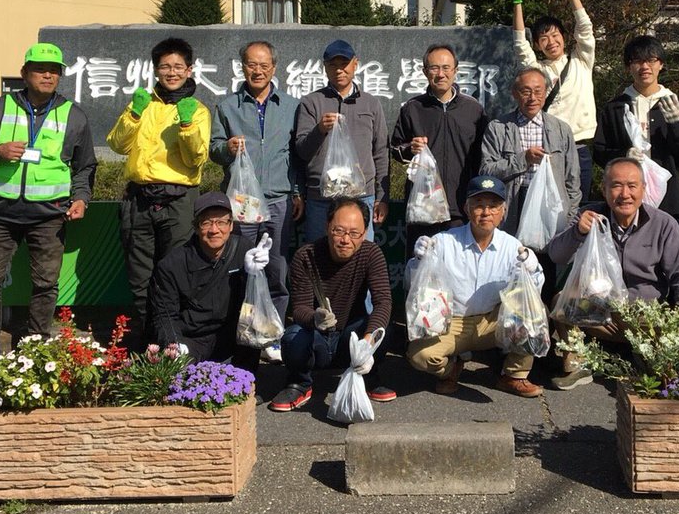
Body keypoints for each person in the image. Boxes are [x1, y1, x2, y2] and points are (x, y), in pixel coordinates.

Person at [0, 43, 96, 356]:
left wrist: (81, 198)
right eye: (40, 69)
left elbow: (85, 166)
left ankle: (35, 350)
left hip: (50, 215)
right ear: (24, 73)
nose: (47, 75)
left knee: (46, 285)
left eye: (54, 70)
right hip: (0, 214)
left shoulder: (74, 116)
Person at [546, 157, 679, 389]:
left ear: (644, 189)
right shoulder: (589, 216)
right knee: (562, 302)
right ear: (604, 189)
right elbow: (557, 254)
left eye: (632, 186)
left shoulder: (663, 224)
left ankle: (644, 357)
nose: (624, 194)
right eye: (616, 185)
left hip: (645, 317)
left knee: (659, 379)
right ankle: (578, 364)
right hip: (602, 313)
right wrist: (578, 232)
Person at [106, 37, 211, 346]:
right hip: (139, 198)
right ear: (155, 70)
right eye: (165, 66)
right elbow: (117, 144)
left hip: (179, 199)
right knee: (140, 276)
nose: (172, 72)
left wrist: (187, 124)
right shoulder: (142, 104)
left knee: (176, 272)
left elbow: (196, 158)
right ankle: (148, 342)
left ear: (190, 70)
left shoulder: (199, 110)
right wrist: (134, 114)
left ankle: (174, 343)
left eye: (178, 66)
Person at [406, 175, 545, 398]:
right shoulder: (443, 241)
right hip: (451, 322)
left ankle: (514, 375)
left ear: (503, 211)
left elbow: (531, 294)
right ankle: (451, 369)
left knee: (534, 314)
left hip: (492, 322)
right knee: (420, 356)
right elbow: (415, 285)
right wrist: (418, 262)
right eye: (478, 205)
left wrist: (533, 269)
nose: (486, 212)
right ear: (466, 208)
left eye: (493, 206)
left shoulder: (512, 246)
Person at [209, 41, 301, 353]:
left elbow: (298, 155)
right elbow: (214, 150)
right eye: (251, 64)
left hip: (277, 199)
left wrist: (298, 192)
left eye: (264, 65)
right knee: (240, 265)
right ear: (242, 67)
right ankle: (241, 328)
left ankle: (273, 332)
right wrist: (227, 149)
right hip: (242, 202)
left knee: (276, 267)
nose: (257, 70)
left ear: (274, 68)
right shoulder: (227, 107)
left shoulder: (290, 106)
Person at [270, 198, 395, 412]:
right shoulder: (306, 256)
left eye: (354, 233)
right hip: (316, 339)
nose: (346, 239)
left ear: (364, 233)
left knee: (383, 331)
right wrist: (315, 318)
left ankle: (368, 376)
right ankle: (299, 383)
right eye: (339, 231)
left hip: (350, 336)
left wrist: (366, 343)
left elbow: (383, 301)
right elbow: (299, 309)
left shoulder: (371, 254)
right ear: (327, 226)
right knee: (292, 337)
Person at [148, 192, 287, 371]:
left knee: (252, 330)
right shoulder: (172, 264)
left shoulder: (244, 250)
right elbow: (164, 315)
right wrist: (174, 344)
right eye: (206, 223)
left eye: (221, 222)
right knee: (177, 372)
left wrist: (256, 276)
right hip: (192, 338)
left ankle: (248, 388)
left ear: (230, 226)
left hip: (232, 334)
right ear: (196, 227)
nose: (215, 230)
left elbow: (256, 306)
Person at [480, 67, 580, 302]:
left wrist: (570, 216)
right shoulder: (498, 128)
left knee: (546, 267)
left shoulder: (561, 129)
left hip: (550, 207)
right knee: (512, 264)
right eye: (525, 91)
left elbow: (572, 180)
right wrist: (522, 159)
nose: (532, 98)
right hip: (513, 204)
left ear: (546, 93)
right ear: (514, 93)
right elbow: (486, 171)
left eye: (538, 91)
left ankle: (545, 327)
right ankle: (511, 328)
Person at [507, 0, 597, 204]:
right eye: (543, 38)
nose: (551, 41)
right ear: (538, 45)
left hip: (579, 148)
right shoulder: (539, 71)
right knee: (546, 210)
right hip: (550, 149)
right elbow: (519, 46)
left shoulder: (581, 60)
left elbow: (585, 28)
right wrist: (517, 2)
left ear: (564, 37)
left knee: (578, 210)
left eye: (555, 35)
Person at [594, 35, 679, 242]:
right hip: (626, 199)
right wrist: (624, 155)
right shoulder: (615, 108)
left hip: (668, 200)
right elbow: (599, 151)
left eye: (651, 60)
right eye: (637, 61)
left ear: (661, 65)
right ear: (628, 67)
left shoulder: (674, 105)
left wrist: (675, 124)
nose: (644, 66)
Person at [389, 43, 488, 253]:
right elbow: (395, 149)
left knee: (458, 274)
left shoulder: (474, 110)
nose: (440, 74)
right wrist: (410, 149)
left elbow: (483, 159)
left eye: (446, 68)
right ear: (425, 72)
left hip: (460, 209)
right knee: (420, 272)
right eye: (434, 68)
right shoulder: (412, 109)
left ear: (455, 71)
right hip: (423, 209)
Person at [294, 39, 389, 243]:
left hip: (361, 198)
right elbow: (301, 151)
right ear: (325, 68)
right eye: (333, 65)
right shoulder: (311, 103)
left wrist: (382, 197)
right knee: (319, 258)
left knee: (360, 258)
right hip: (321, 199)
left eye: (344, 64)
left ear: (355, 64)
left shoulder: (371, 104)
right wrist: (319, 130)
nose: (339, 70)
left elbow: (381, 152)